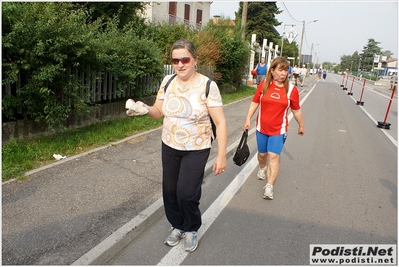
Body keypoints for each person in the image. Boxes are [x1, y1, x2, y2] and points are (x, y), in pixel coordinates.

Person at [130, 39, 228, 252]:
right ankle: (177, 225)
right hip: (170, 144)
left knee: (186, 193)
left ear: (195, 60)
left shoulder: (208, 86)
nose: (180, 64)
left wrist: (221, 156)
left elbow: (220, 123)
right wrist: (145, 109)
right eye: (175, 60)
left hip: (197, 147)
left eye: (185, 59)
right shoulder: (168, 81)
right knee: (170, 191)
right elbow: (158, 112)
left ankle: (191, 228)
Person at [242, 56, 305, 200]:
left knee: (274, 156)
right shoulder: (264, 85)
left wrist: (301, 125)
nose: (283, 74)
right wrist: (247, 119)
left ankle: (269, 186)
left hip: (279, 130)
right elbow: (254, 103)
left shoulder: (291, 90)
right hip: (261, 128)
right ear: (272, 71)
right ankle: (262, 168)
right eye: (280, 70)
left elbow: (296, 110)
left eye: (286, 71)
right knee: (262, 155)